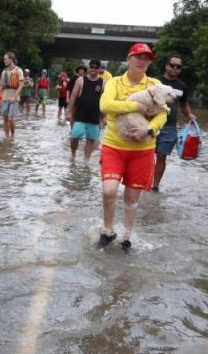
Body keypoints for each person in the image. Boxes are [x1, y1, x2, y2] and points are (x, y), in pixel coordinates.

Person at [97, 43, 166, 253]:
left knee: (131, 197)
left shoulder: (155, 84)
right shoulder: (115, 82)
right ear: (129, 59)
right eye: (139, 57)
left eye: (147, 58)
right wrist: (135, 106)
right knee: (109, 191)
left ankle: (126, 237)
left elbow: (163, 113)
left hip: (143, 149)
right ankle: (107, 231)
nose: (142, 61)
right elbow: (105, 105)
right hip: (113, 145)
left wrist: (150, 130)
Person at [151, 53, 196, 192]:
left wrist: (189, 115)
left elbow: (184, 104)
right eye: (172, 65)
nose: (175, 68)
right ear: (166, 66)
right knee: (145, 154)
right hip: (150, 123)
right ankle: (143, 181)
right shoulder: (155, 82)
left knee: (162, 155)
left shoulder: (182, 86)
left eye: (178, 67)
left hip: (169, 126)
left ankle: (155, 186)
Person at [67, 59, 105, 163]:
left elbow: (104, 101)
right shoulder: (80, 80)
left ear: (99, 69)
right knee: (75, 136)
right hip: (80, 115)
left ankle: (86, 161)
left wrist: (104, 117)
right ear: (89, 68)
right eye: (91, 67)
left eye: (96, 67)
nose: (93, 69)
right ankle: (73, 154)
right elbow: (73, 97)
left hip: (94, 116)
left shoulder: (103, 82)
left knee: (91, 139)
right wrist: (69, 112)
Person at [0, 52, 23, 138]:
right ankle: (7, 138)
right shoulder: (4, 72)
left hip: (14, 98)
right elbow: (2, 85)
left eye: (5, 59)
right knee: (5, 119)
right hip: (5, 97)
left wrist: (15, 96)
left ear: (11, 59)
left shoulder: (19, 71)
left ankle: (12, 136)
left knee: (10, 118)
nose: (4, 61)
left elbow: (20, 86)